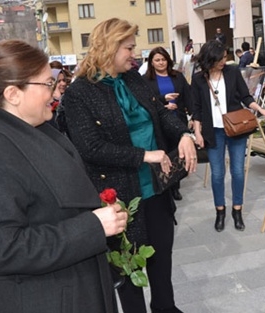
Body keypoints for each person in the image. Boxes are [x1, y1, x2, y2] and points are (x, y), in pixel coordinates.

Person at [0, 39, 128, 313]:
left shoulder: (39, 131)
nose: (55, 92)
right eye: (47, 84)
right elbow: (4, 249)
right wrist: (92, 226)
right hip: (43, 299)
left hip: (73, 289)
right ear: (13, 93)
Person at [63, 18, 197, 313]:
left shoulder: (134, 79)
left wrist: (184, 134)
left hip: (157, 190)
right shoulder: (79, 93)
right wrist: (144, 155)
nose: (134, 54)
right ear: (109, 47)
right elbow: (90, 148)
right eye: (129, 47)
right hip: (119, 198)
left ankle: (166, 308)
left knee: (162, 259)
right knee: (127, 270)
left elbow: (161, 114)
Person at [190, 40, 265, 232]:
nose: (223, 61)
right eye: (220, 58)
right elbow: (196, 108)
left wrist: (260, 108)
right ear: (209, 58)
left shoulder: (233, 71)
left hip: (236, 129)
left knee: (237, 171)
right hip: (213, 131)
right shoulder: (198, 79)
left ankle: (238, 210)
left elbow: (245, 96)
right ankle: (220, 211)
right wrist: (197, 132)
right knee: (217, 174)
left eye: (225, 57)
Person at [143, 47, 193, 201]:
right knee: (164, 152)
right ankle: (166, 185)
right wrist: (163, 103)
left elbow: (188, 96)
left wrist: (192, 116)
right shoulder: (146, 80)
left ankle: (175, 185)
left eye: (163, 59)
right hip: (159, 122)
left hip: (178, 119)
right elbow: (146, 101)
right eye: (157, 60)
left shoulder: (177, 76)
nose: (161, 63)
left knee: (177, 153)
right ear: (151, 62)